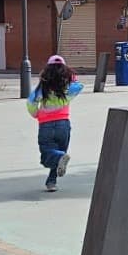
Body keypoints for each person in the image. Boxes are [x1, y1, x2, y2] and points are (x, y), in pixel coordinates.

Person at [26, 55, 83, 193]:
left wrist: (36, 114)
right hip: (63, 124)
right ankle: (51, 182)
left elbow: (31, 102)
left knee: (47, 155)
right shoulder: (68, 88)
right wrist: (72, 79)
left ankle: (57, 163)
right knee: (59, 154)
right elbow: (79, 86)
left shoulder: (43, 88)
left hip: (45, 124)